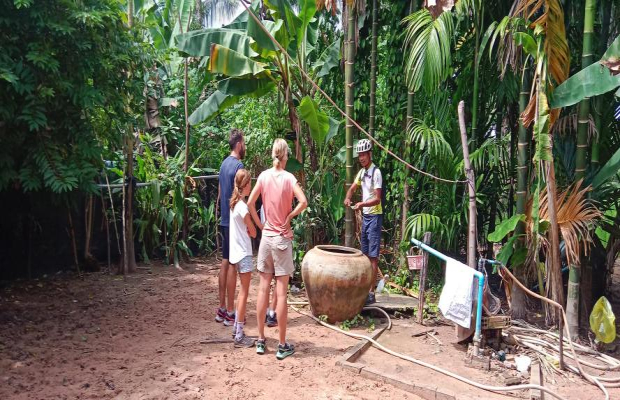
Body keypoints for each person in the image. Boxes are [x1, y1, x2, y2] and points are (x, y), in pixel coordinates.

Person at [248, 138, 307, 359]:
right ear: (285, 156)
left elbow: (250, 203)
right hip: (282, 239)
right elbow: (303, 201)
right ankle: (282, 345)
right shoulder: (289, 179)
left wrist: (261, 226)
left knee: (263, 289)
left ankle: (261, 339)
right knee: (281, 294)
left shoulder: (263, 176)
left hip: (266, 239)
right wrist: (290, 216)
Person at [343, 139, 383, 305]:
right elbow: (353, 187)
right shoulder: (361, 172)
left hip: (374, 216)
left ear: (369, 154)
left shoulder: (376, 173)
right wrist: (348, 196)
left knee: (373, 257)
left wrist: (362, 204)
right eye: (359, 155)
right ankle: (365, 288)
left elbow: (377, 198)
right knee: (365, 255)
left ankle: (371, 292)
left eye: (364, 154)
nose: (361, 157)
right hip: (366, 217)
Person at [215, 129, 245, 326]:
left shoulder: (223, 164)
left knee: (225, 262)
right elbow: (239, 195)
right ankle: (232, 312)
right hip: (233, 222)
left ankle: (222, 308)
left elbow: (219, 192)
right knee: (233, 264)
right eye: (244, 143)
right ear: (239, 144)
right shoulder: (238, 165)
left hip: (224, 219)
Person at [229, 169, 257, 348]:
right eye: (249, 183)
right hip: (244, 253)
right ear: (245, 185)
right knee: (244, 292)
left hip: (236, 253)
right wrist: (252, 228)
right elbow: (253, 232)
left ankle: (236, 328)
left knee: (243, 291)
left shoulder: (235, 204)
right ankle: (239, 333)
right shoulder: (243, 207)